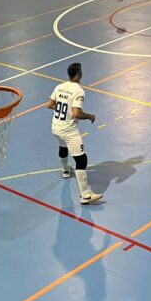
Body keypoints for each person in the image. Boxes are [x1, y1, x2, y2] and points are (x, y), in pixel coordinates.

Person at [43, 63, 104, 205]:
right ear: (79, 75)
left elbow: (49, 104)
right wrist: (89, 116)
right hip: (69, 131)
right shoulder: (79, 91)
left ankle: (66, 171)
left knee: (62, 147)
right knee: (81, 160)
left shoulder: (60, 86)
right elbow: (77, 114)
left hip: (56, 127)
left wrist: (63, 108)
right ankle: (85, 195)